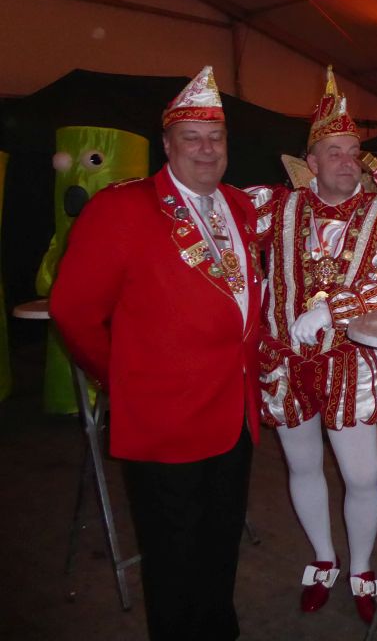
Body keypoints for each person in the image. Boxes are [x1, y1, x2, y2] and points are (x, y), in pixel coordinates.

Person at [50, 67, 263, 641]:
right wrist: (120, 376)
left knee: (220, 541)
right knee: (172, 556)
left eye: (215, 137)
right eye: (191, 138)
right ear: (166, 145)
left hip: (235, 412)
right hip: (165, 418)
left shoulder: (239, 207)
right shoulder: (122, 209)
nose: (206, 149)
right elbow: (72, 310)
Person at [248, 69, 377, 622]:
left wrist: (335, 309)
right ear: (312, 161)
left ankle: (362, 568)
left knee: (361, 475)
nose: (348, 162)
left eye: (354, 153)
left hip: (350, 361)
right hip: (285, 361)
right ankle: (324, 558)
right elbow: (220, 229)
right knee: (302, 467)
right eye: (335, 152)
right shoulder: (278, 207)